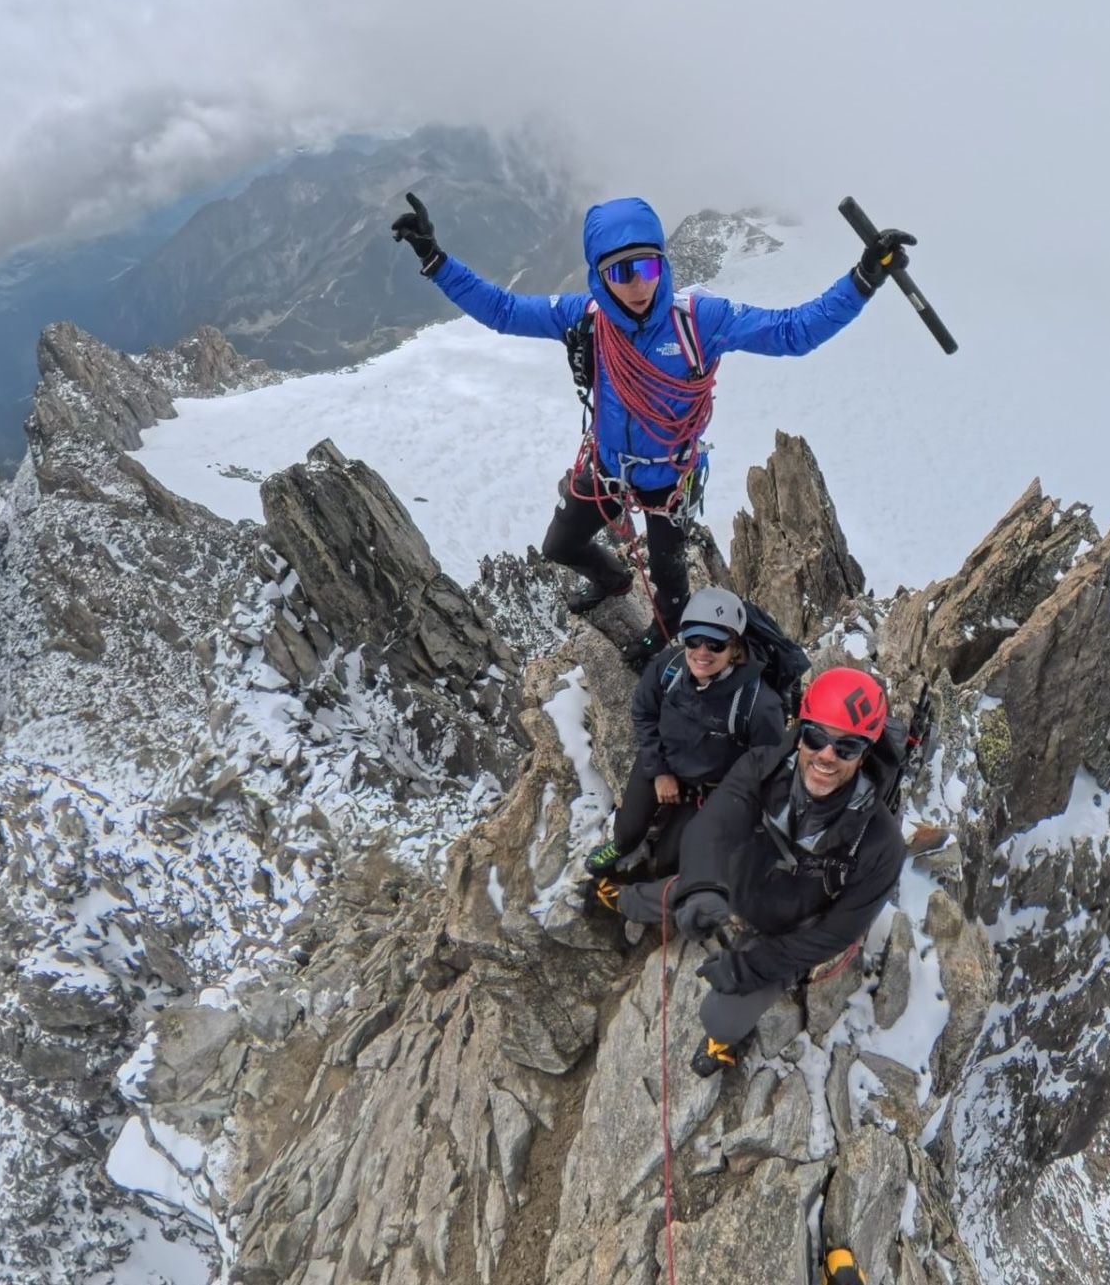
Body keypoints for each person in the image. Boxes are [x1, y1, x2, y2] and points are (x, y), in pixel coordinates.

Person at [391, 191, 914, 665]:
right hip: (608, 466)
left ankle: (660, 634)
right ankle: (615, 580)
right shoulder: (585, 318)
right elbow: (503, 311)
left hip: (668, 477)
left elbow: (792, 332)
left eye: (647, 266)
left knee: (670, 582)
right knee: (561, 546)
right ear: (600, 276)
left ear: (663, 264)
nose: (638, 284)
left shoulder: (698, 320)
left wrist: (863, 279)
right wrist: (436, 263)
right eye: (621, 273)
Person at [670, 666, 908, 1077]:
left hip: (792, 930)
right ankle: (615, 897)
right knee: (653, 901)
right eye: (816, 737)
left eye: (846, 748)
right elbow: (715, 823)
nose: (826, 756)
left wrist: (751, 967)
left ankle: (722, 1043)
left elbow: (834, 933)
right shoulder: (761, 767)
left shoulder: (880, 843)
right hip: (738, 886)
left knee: (718, 1018)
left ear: (865, 753)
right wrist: (701, 886)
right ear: (800, 731)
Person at [581, 586, 785, 897]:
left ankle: (652, 877)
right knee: (626, 833)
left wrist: (725, 809)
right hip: (662, 763)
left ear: (735, 648)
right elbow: (644, 712)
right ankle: (624, 847)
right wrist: (660, 771)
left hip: (711, 789)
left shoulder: (758, 705)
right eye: (693, 639)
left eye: (716, 644)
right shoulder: (669, 667)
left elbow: (765, 769)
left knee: (669, 861)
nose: (702, 652)